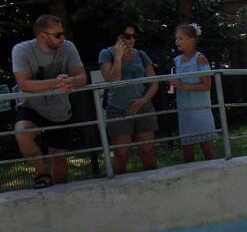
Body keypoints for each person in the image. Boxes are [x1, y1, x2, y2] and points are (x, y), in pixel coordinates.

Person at [11, 15, 87, 188]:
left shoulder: (68, 47)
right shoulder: (21, 50)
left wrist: (72, 81)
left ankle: (60, 194)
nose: (63, 38)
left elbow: (82, 77)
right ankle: (42, 175)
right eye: (58, 35)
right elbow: (24, 84)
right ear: (42, 36)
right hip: (31, 106)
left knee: (59, 156)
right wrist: (56, 82)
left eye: (63, 33)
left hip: (59, 109)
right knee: (22, 133)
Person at [99, 23, 159, 174]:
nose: (131, 39)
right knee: (121, 154)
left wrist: (144, 100)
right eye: (127, 36)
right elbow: (112, 82)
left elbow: (154, 82)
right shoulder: (106, 54)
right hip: (119, 109)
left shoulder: (141, 54)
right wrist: (118, 57)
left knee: (148, 150)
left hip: (143, 107)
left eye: (134, 36)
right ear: (118, 36)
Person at [170, 23, 217, 162]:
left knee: (206, 146)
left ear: (191, 39)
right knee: (187, 148)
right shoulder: (177, 61)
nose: (177, 41)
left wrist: (183, 86)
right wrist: (174, 84)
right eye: (176, 38)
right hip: (184, 109)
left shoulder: (200, 59)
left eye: (181, 38)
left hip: (200, 108)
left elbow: (207, 85)